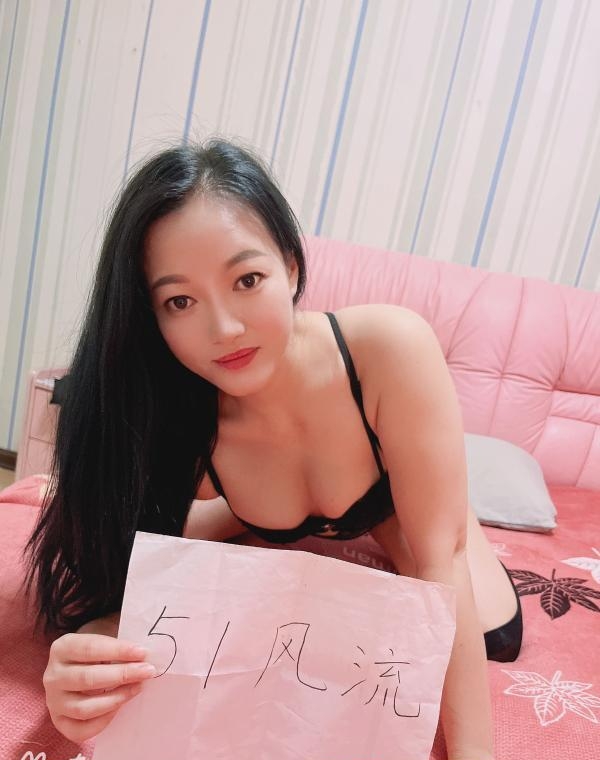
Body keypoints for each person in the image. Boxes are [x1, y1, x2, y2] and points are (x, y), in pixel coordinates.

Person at [25, 138, 521, 757]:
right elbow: (128, 575)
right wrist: (87, 655)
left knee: (485, 628)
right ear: (151, 315)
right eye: (180, 301)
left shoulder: (387, 349)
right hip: (256, 503)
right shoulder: (178, 414)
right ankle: (250, 515)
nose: (225, 329)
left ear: (290, 266)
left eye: (247, 279)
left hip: (404, 504)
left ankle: (322, 510)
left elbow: (440, 562)